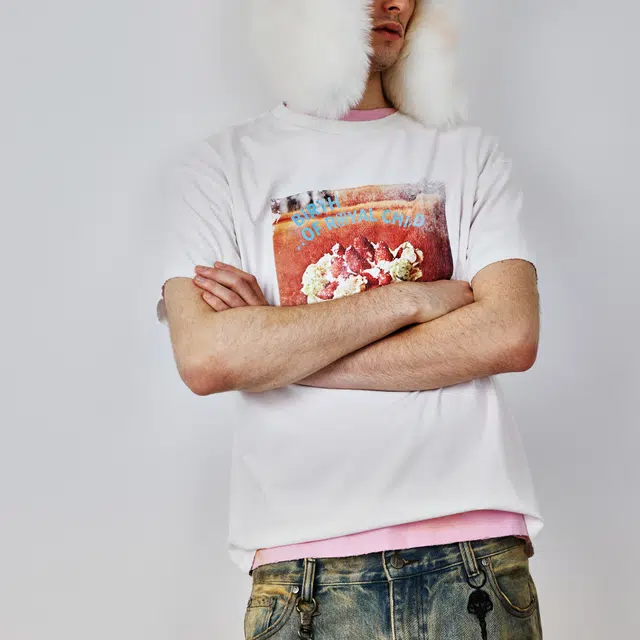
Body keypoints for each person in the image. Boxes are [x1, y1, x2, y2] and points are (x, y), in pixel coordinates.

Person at [156, 0, 544, 637]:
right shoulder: (220, 167)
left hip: (473, 556)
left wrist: (277, 347)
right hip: (301, 573)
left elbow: (509, 333)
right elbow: (208, 358)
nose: (396, 3)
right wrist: (408, 301)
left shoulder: (469, 152)